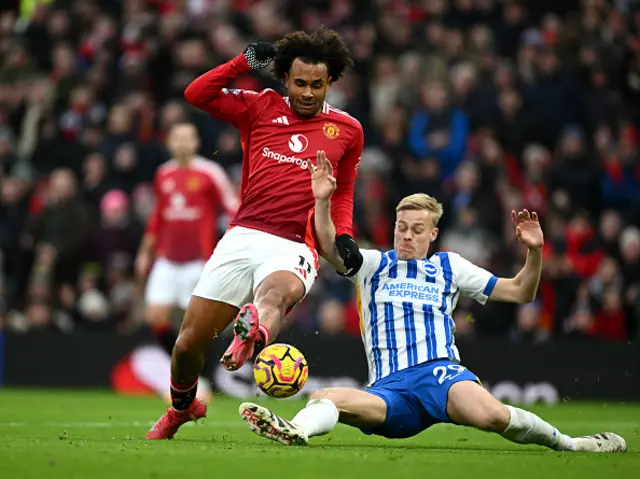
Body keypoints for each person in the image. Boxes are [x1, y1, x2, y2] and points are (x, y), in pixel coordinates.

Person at [237, 151, 628, 453]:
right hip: (390, 390)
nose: (406, 236)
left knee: (493, 415)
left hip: (440, 375)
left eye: (416, 230)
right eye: (401, 228)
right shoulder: (373, 265)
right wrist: (322, 200)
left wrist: (536, 253)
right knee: (328, 397)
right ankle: (295, 430)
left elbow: (520, 292)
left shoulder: (450, 267)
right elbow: (328, 246)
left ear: (433, 234)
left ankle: (573, 444)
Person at [146, 27, 364, 439]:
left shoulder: (347, 129)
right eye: (299, 83)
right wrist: (243, 63)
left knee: (274, 295)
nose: (307, 92)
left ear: (330, 82)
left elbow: (345, 190)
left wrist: (345, 235)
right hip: (243, 235)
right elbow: (197, 94)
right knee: (188, 344)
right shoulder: (259, 107)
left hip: (294, 243)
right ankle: (182, 408)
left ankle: (255, 333)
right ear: (285, 78)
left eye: (317, 85)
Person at [135, 122, 239, 403]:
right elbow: (158, 216)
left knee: (198, 325)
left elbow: (232, 208)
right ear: (169, 143)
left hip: (198, 261)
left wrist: (236, 246)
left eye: (187, 138)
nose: (181, 143)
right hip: (167, 259)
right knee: (156, 317)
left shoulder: (209, 172)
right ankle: (183, 377)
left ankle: (196, 379)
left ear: (195, 143)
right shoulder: (163, 173)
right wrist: (146, 250)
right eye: (176, 138)